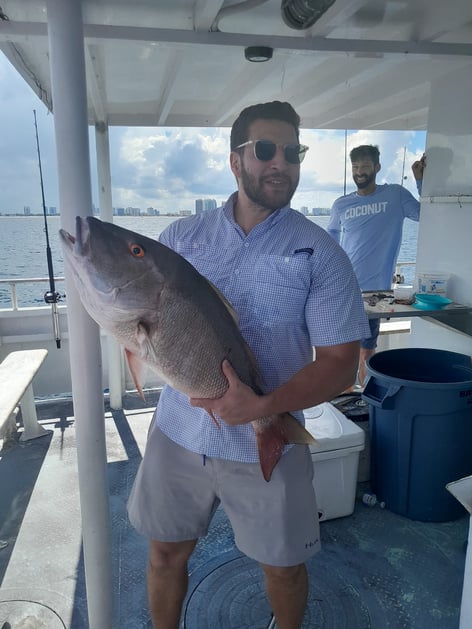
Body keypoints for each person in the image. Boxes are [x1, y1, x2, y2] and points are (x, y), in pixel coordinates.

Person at [127, 101, 370, 629]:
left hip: (270, 435)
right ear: (236, 161)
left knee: (283, 569)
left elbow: (339, 364)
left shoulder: (320, 252)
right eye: (265, 150)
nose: (279, 162)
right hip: (179, 430)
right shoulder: (180, 238)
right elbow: (140, 322)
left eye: (292, 152)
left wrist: (264, 408)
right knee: (165, 554)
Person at [327, 144, 426, 388]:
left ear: (377, 167)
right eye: (356, 167)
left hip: (376, 295)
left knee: (365, 354)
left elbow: (427, 215)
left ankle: (366, 405)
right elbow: (328, 246)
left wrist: (420, 181)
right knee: (341, 357)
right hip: (344, 291)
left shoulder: (396, 195)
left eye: (365, 166)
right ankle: (345, 406)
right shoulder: (341, 205)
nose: (360, 172)